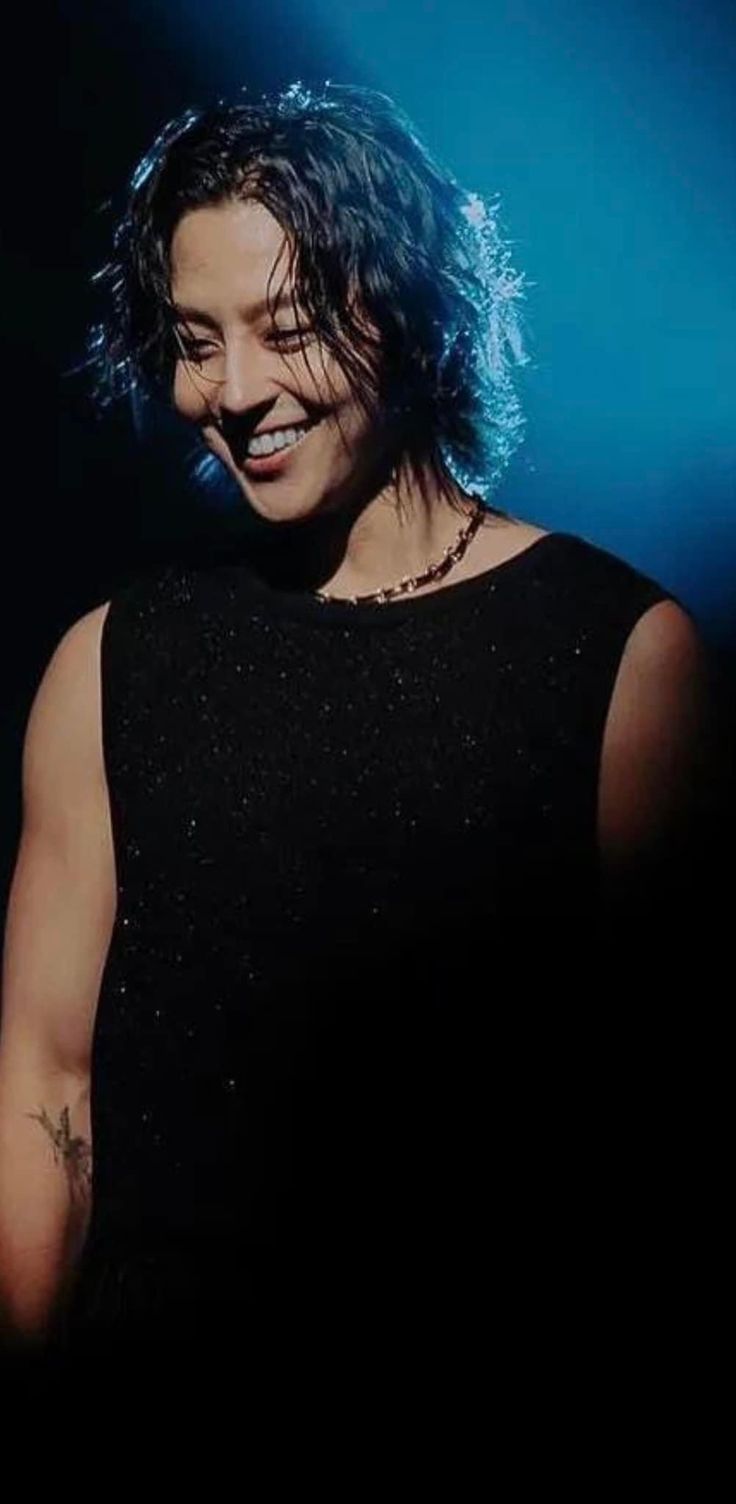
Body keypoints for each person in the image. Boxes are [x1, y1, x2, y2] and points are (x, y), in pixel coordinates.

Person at [0, 81, 721, 1384]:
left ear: (410, 309)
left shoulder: (620, 657)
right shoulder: (110, 664)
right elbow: (46, 1086)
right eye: (195, 338)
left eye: (286, 328)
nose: (235, 388)